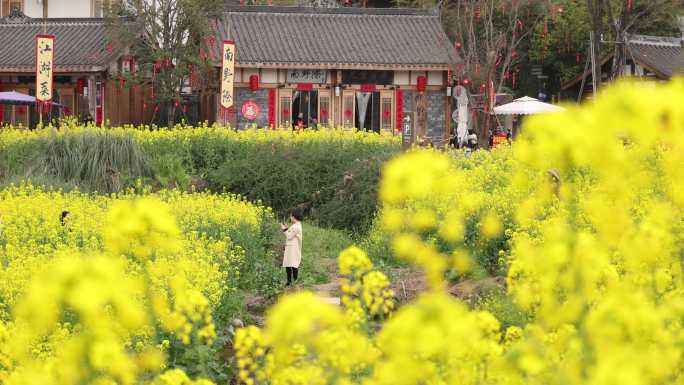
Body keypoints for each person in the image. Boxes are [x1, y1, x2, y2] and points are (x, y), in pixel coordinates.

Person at [281, 209, 303, 286]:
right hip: (291, 247)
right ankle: (290, 281)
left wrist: (284, 229)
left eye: (291, 216)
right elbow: (291, 234)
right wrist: (287, 229)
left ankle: (293, 281)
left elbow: (289, 236)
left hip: (293, 248)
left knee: (293, 264)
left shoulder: (296, 226)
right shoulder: (296, 225)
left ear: (294, 217)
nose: (290, 218)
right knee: (289, 264)